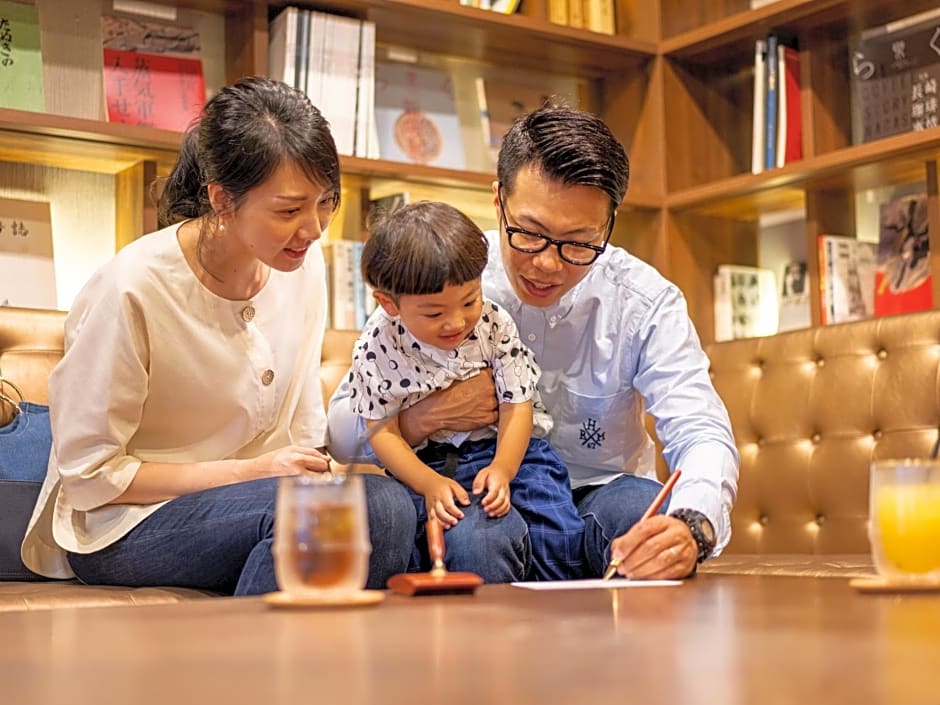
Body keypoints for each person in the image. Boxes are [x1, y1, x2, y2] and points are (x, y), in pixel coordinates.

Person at [19, 77, 415, 595]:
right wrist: (251, 473)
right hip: (125, 524)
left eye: (326, 202)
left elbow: (300, 429)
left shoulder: (304, 265)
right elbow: (91, 478)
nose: (314, 228)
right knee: (353, 512)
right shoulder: (130, 289)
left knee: (386, 507)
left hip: (259, 498)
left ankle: (290, 665)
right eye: (288, 210)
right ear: (222, 200)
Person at [329, 102, 739, 581]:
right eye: (530, 234)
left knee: (643, 511)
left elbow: (700, 430)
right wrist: (427, 417)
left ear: (609, 226)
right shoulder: (448, 278)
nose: (548, 264)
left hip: (597, 494)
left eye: (579, 243)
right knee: (479, 537)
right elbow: (341, 434)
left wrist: (694, 524)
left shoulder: (643, 302)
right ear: (499, 201)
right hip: (476, 487)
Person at [349, 201, 584, 581]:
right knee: (411, 536)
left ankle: (561, 613)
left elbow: (516, 404)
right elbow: (381, 430)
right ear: (389, 303)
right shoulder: (377, 344)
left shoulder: (493, 321)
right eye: (433, 313)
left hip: (509, 449)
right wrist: (427, 484)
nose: (456, 322)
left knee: (555, 524)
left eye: (469, 301)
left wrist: (504, 469)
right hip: (425, 464)